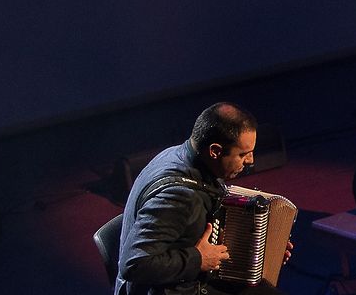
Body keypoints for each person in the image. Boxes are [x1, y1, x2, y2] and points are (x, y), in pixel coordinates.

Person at [115, 102, 290, 295]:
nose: (250, 161)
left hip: (190, 277)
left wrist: (262, 248)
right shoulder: (178, 196)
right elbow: (134, 264)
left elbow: (189, 230)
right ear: (214, 151)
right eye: (242, 154)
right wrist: (198, 259)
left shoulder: (177, 154)